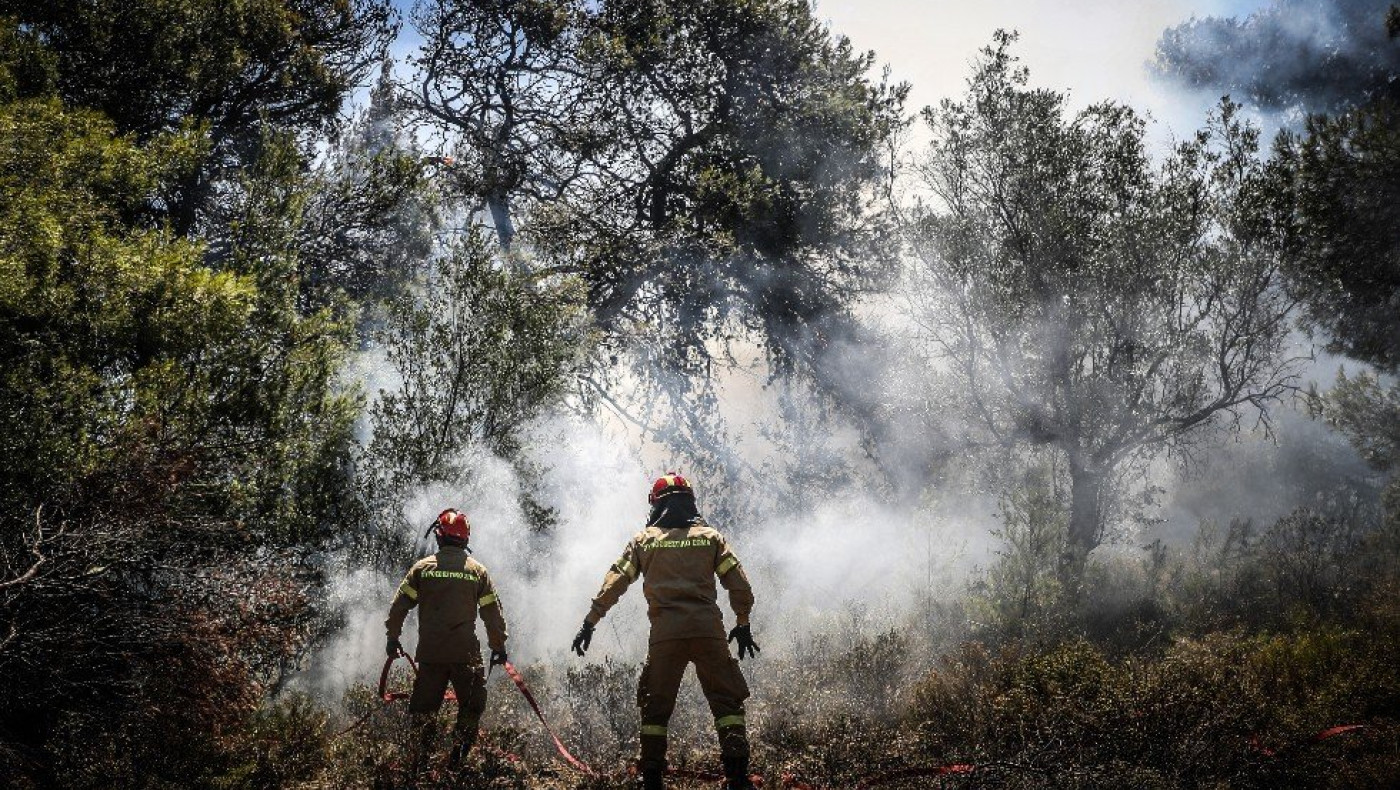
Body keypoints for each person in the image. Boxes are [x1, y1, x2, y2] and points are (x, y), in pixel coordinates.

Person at [571, 473, 760, 790]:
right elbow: (738, 583)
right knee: (727, 704)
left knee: (655, 708)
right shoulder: (711, 538)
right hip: (708, 631)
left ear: (655, 506)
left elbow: (615, 582)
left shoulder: (644, 541)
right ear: (690, 501)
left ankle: (652, 777)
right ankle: (738, 778)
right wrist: (742, 622)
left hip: (665, 635)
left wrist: (590, 621)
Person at [385, 508, 508, 775]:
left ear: (439, 537)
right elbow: (492, 615)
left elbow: (398, 608)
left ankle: (419, 767)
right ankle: (456, 762)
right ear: (465, 539)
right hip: (466, 655)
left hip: (431, 656)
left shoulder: (422, 569)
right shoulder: (477, 572)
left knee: (423, 715)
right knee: (472, 707)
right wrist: (498, 647)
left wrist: (393, 639)